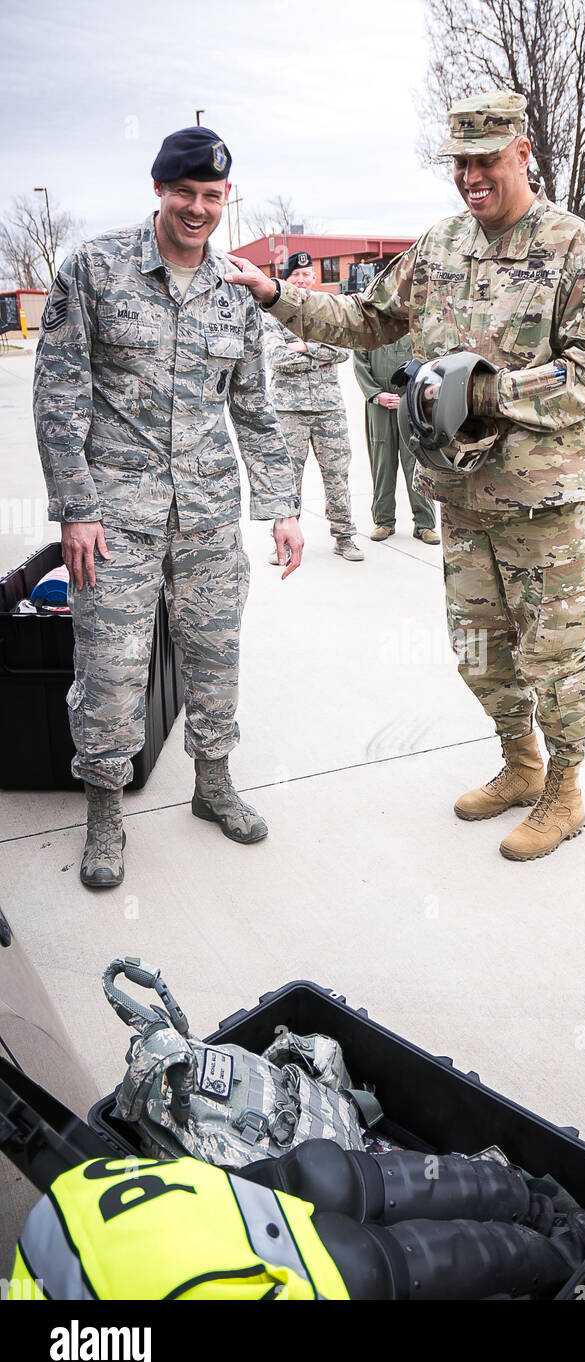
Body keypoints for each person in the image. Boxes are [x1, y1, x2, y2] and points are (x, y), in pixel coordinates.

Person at [227, 91, 585, 861]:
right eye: (461, 162)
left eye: (486, 158)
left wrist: (484, 393)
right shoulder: (440, 247)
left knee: (553, 656)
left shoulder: (575, 248)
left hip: (545, 504)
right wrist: (276, 296)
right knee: (478, 647)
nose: (472, 175)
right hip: (462, 498)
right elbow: (365, 320)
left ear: (522, 152)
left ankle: (566, 791)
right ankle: (519, 765)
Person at [33, 127, 303, 889]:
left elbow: (254, 405)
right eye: (183, 192)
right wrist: (75, 508)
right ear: (159, 190)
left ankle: (212, 786)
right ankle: (105, 815)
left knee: (216, 655)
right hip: (114, 518)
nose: (197, 208)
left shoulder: (236, 290)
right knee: (112, 668)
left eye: (211, 196)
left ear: (226, 199)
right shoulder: (94, 268)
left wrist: (282, 504)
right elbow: (58, 393)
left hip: (209, 511)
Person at [8, 1144, 585, 1300]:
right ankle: (545, 1211)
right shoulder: (46, 1219)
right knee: (325, 1178)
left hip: (194, 1276)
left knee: (365, 1266)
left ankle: (566, 1251)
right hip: (145, 1201)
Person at [263, 251, 363, 563]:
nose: (303, 280)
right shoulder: (272, 315)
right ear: (286, 279)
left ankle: (345, 537)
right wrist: (322, 354)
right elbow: (276, 358)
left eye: (307, 276)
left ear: (314, 278)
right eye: (296, 276)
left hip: (328, 409)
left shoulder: (327, 312)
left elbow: (345, 351)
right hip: (288, 410)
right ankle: (285, 541)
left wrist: (306, 347)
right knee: (288, 476)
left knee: (337, 475)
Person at [352, 333, 440, 544]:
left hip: (411, 405)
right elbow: (359, 364)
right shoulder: (368, 331)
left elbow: (429, 365)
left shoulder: (415, 329)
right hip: (379, 406)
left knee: (417, 463)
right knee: (382, 463)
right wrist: (375, 394)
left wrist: (411, 396)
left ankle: (425, 524)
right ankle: (384, 521)